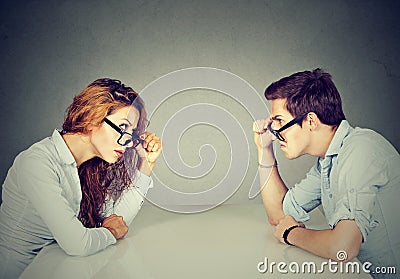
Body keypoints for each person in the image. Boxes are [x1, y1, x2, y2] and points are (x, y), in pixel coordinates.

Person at [0, 78, 162, 278]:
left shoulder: (88, 167)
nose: (129, 143)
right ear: (92, 119)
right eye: (123, 128)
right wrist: (110, 232)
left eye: (132, 132)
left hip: (55, 265)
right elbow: (78, 243)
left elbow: (117, 221)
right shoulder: (36, 163)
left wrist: (146, 163)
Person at [253, 68, 399, 278]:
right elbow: (279, 215)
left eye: (280, 122)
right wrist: (264, 150)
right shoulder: (327, 161)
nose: (275, 134)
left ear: (311, 121)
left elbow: (343, 248)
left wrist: (291, 234)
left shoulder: (361, 150)